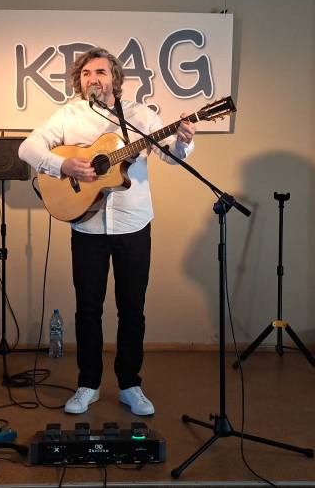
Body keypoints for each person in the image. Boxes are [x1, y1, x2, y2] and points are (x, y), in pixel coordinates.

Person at [18, 47, 196, 416]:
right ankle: (88, 384)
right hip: (87, 226)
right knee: (88, 309)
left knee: (132, 309)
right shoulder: (69, 114)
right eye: (86, 73)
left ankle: (130, 385)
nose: (93, 79)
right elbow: (27, 148)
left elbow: (170, 156)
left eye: (100, 72)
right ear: (79, 80)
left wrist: (183, 140)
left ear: (114, 78)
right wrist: (63, 165)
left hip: (133, 224)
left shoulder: (139, 115)